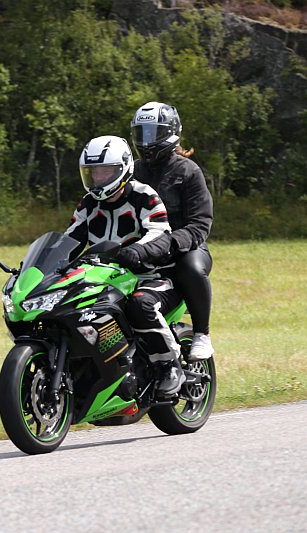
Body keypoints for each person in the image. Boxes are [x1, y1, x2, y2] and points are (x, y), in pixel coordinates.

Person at [65, 134, 186, 397]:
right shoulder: (88, 205)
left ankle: (169, 365)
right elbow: (70, 239)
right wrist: (45, 266)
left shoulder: (144, 196)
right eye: (93, 173)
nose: (99, 178)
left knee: (140, 304)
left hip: (149, 277)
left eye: (106, 171)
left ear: (123, 169)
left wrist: (137, 250)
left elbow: (161, 233)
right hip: (104, 279)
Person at [130, 101, 215, 360]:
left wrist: (171, 243)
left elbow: (200, 224)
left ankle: (202, 334)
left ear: (170, 132)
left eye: (152, 132)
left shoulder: (188, 171)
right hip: (143, 248)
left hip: (185, 249)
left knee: (190, 267)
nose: (146, 140)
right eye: (141, 133)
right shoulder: (132, 170)